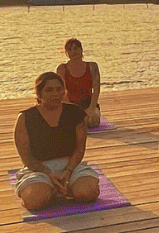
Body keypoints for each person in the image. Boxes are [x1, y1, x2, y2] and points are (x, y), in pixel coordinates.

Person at [13, 71, 102, 210]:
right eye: (49, 90)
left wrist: (67, 171)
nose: (55, 93)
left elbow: (79, 150)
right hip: (39, 169)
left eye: (59, 89)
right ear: (39, 93)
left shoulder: (75, 113)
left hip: (70, 165)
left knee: (88, 192)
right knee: (34, 201)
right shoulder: (25, 117)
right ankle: (53, 190)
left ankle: (60, 190)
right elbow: (27, 157)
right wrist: (48, 174)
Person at [57, 36, 101, 127]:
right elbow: (61, 92)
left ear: (81, 49)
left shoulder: (92, 66)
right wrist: (72, 109)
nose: (73, 51)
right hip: (70, 103)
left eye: (76, 48)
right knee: (73, 123)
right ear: (66, 53)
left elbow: (96, 90)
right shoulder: (62, 69)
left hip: (88, 103)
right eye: (70, 49)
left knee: (92, 121)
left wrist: (91, 108)